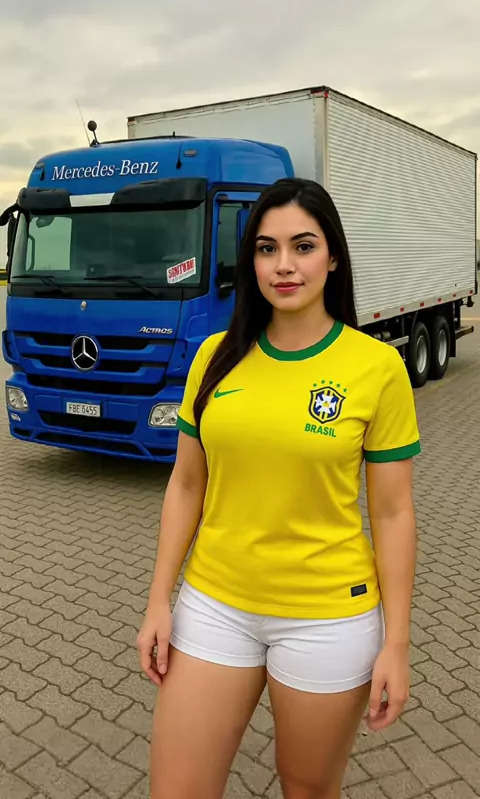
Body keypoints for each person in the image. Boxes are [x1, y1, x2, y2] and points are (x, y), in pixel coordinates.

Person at [137, 177, 420, 799]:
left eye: (303, 245)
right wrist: (159, 599)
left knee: (307, 787)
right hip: (214, 605)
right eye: (267, 248)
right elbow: (186, 485)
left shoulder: (377, 368)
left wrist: (396, 644)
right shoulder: (214, 357)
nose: (284, 265)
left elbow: (393, 513)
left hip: (329, 618)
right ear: (251, 261)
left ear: (333, 257)